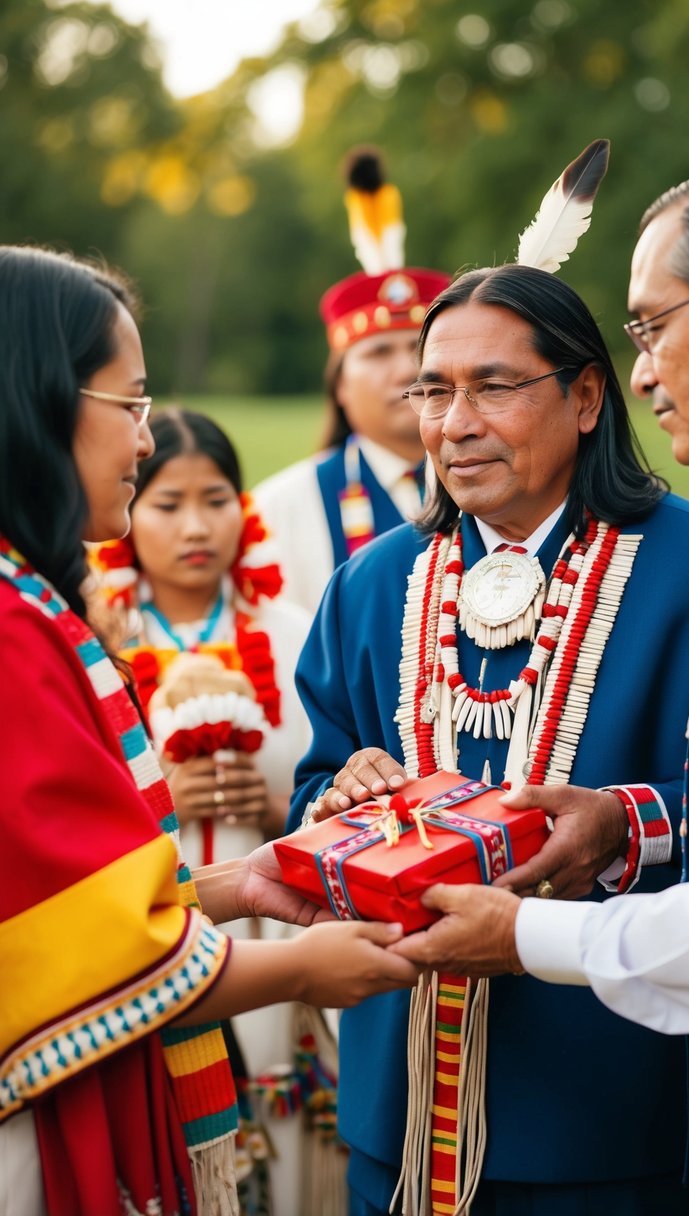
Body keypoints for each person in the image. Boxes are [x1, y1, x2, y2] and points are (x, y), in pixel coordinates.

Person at [393, 161, 689, 1216]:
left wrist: (526, 933)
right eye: (431, 389)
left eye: (650, 329)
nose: (643, 373)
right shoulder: (378, 580)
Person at [287, 253, 689, 1213]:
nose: (455, 423)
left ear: (583, 396)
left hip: (606, 1106)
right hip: (395, 1110)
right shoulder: (373, 583)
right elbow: (312, 778)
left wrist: (623, 823)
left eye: (494, 387)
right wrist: (338, 800)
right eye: (434, 391)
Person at [0, 244, 420, 1216]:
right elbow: (73, 951)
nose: (146, 442)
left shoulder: (31, 601)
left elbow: (80, 901)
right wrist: (311, 966)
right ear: (40, 397)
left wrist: (240, 879)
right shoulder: (17, 630)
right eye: (133, 403)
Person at [88, 406, 318, 1214]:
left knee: (294, 1158)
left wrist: (283, 803)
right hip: (149, 934)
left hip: (285, 928)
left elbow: (340, 780)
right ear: (127, 515)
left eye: (216, 499)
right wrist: (156, 803)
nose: (197, 525)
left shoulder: (294, 634)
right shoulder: (96, 641)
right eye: (168, 502)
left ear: (243, 508)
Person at [254, 148, 451, 616]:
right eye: (379, 352)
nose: (407, 371)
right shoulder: (277, 512)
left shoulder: (502, 486)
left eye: (420, 350)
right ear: (340, 385)